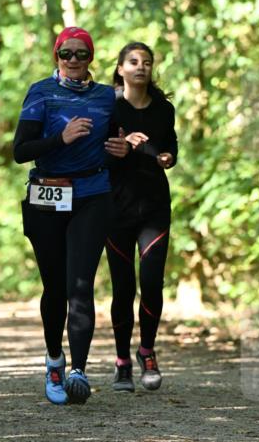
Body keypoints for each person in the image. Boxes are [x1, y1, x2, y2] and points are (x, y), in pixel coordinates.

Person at [13, 26, 128, 406]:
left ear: (91, 58)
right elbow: (20, 150)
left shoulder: (106, 98)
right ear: (56, 56)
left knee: (81, 285)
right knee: (56, 287)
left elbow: (124, 135)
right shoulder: (41, 93)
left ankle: (78, 370)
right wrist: (60, 139)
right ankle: (54, 360)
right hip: (47, 193)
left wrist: (121, 149)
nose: (74, 61)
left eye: (82, 54)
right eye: (67, 54)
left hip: (92, 195)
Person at [105, 42, 178, 392]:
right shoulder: (108, 107)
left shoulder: (164, 109)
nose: (140, 67)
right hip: (115, 208)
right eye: (133, 62)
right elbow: (96, 154)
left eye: (147, 62)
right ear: (120, 68)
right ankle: (122, 363)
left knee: (151, 283)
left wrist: (167, 158)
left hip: (154, 207)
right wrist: (117, 149)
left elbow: (171, 147)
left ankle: (146, 351)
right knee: (123, 288)